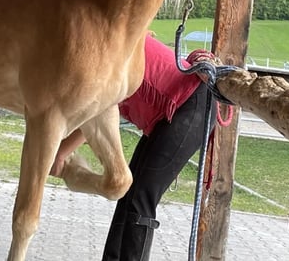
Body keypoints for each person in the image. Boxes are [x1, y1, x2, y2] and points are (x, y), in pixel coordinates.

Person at [50, 34, 215, 261]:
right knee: (129, 192)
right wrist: (60, 150)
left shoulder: (103, 49)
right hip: (174, 112)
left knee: (142, 196)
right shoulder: (101, 43)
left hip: (192, 103)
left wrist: (60, 153)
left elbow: (96, 112)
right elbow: (95, 118)